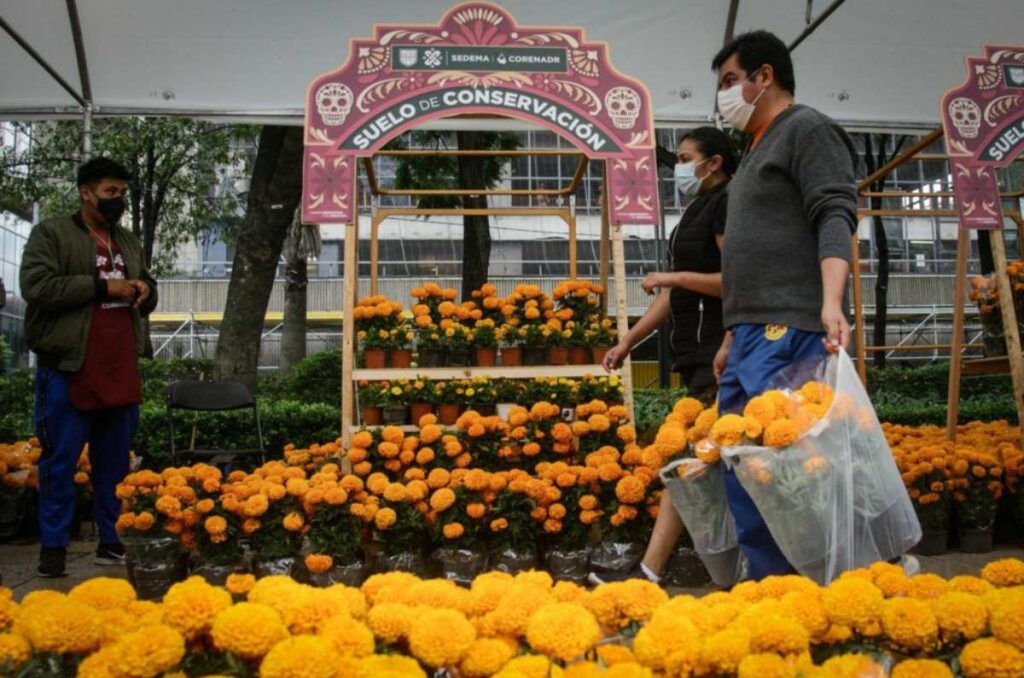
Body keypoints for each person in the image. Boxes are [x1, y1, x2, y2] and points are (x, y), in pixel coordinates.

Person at [710, 30, 916, 580]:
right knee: (742, 458)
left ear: (765, 76)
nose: (724, 95)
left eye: (731, 81)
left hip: (788, 327)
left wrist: (832, 302)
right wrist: (731, 332)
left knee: (790, 465)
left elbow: (834, 213)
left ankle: (837, 577)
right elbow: (753, 250)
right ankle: (771, 582)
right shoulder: (756, 149)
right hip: (749, 330)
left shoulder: (806, 129)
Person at [591, 127, 736, 585]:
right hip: (699, 357)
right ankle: (653, 569)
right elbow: (672, 295)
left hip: (722, 353)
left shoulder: (727, 203)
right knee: (693, 464)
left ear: (713, 163)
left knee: (693, 463)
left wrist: (674, 277)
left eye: (687, 157)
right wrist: (627, 342)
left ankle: (653, 570)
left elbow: (737, 281)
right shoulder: (696, 210)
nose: (679, 167)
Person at [20, 157, 157, 577]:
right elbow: (36, 287)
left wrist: (144, 290)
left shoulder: (128, 240)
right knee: (60, 460)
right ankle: (54, 548)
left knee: (115, 462)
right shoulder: (52, 233)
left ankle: (111, 539)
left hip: (120, 365)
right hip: (69, 365)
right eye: (110, 192)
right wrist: (101, 286)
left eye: (121, 193)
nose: (118, 200)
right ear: (86, 191)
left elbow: (148, 291)